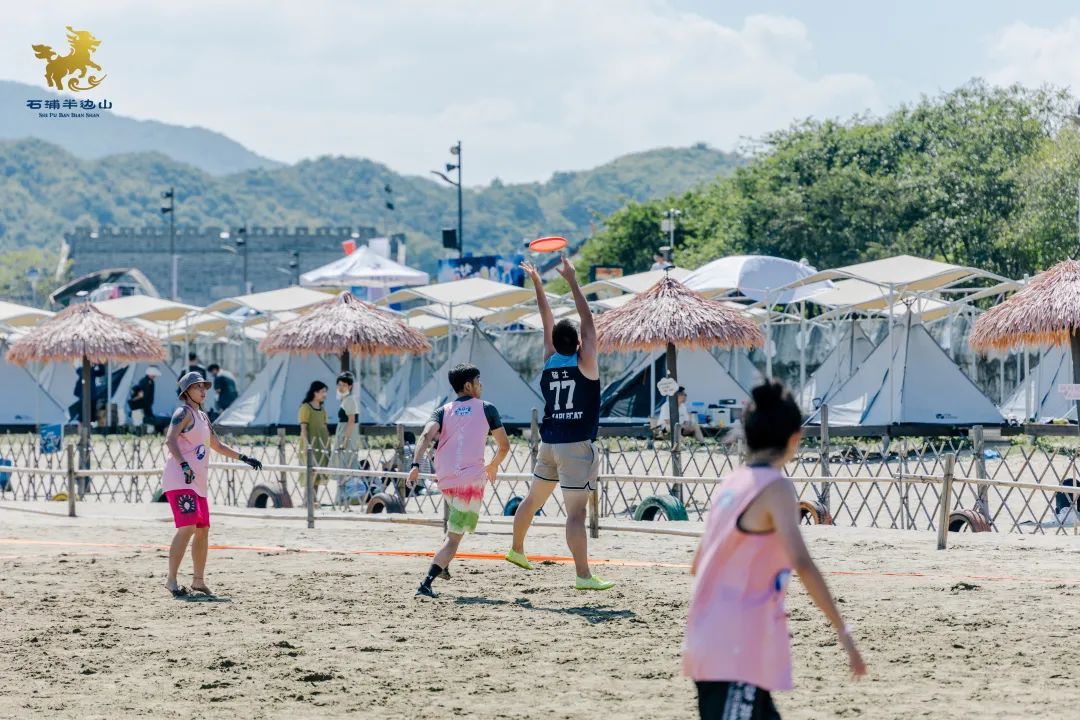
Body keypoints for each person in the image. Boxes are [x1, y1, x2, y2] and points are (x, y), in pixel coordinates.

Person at [683, 381, 866, 718]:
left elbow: (698, 565)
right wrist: (843, 631)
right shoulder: (776, 487)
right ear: (795, 438)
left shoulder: (730, 483)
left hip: (711, 639)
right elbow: (803, 563)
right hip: (735, 650)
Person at [508, 258, 613, 591]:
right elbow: (588, 321)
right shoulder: (586, 362)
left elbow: (547, 320)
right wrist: (571, 281)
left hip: (549, 442)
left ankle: (517, 549)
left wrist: (538, 282)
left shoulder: (549, 361)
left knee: (532, 499)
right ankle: (583, 576)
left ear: (555, 342)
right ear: (580, 343)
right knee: (576, 515)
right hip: (576, 445)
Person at [410, 363, 510, 598]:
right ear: (468, 385)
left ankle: (444, 566)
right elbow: (504, 446)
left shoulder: (442, 410)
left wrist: (415, 466)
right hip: (471, 481)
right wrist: (493, 465)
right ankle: (427, 582)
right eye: (478, 381)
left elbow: (426, 436)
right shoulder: (487, 408)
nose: (481, 385)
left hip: (445, 477)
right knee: (455, 536)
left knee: (454, 524)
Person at [162, 372, 262, 597]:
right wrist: (184, 465)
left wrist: (244, 458)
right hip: (180, 478)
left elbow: (217, 445)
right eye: (197, 387)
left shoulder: (203, 417)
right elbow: (170, 439)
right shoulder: (183, 412)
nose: (203, 391)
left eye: (203, 387)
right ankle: (171, 580)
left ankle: (198, 581)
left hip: (198, 481)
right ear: (186, 391)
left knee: (203, 530)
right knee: (187, 526)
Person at [299, 380, 331, 504]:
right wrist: (307, 444)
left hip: (321, 443)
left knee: (318, 473)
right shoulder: (305, 407)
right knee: (310, 472)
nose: (324, 395)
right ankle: (307, 500)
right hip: (310, 443)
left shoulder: (322, 409)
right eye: (323, 392)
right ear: (315, 392)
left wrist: (328, 444)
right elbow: (303, 428)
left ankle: (314, 499)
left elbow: (325, 427)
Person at [333, 372, 361, 504]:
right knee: (343, 467)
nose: (340, 387)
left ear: (350, 386)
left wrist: (344, 441)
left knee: (345, 466)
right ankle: (342, 497)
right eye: (339, 384)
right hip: (344, 435)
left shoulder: (349, 400)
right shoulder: (345, 399)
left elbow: (351, 421)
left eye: (343, 385)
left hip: (347, 438)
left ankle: (346, 497)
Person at [127, 366, 165, 432]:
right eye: (153, 375)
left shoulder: (150, 382)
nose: (154, 376)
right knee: (139, 421)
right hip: (141, 406)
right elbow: (140, 395)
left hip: (146, 405)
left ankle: (146, 434)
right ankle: (140, 435)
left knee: (148, 421)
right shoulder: (144, 382)